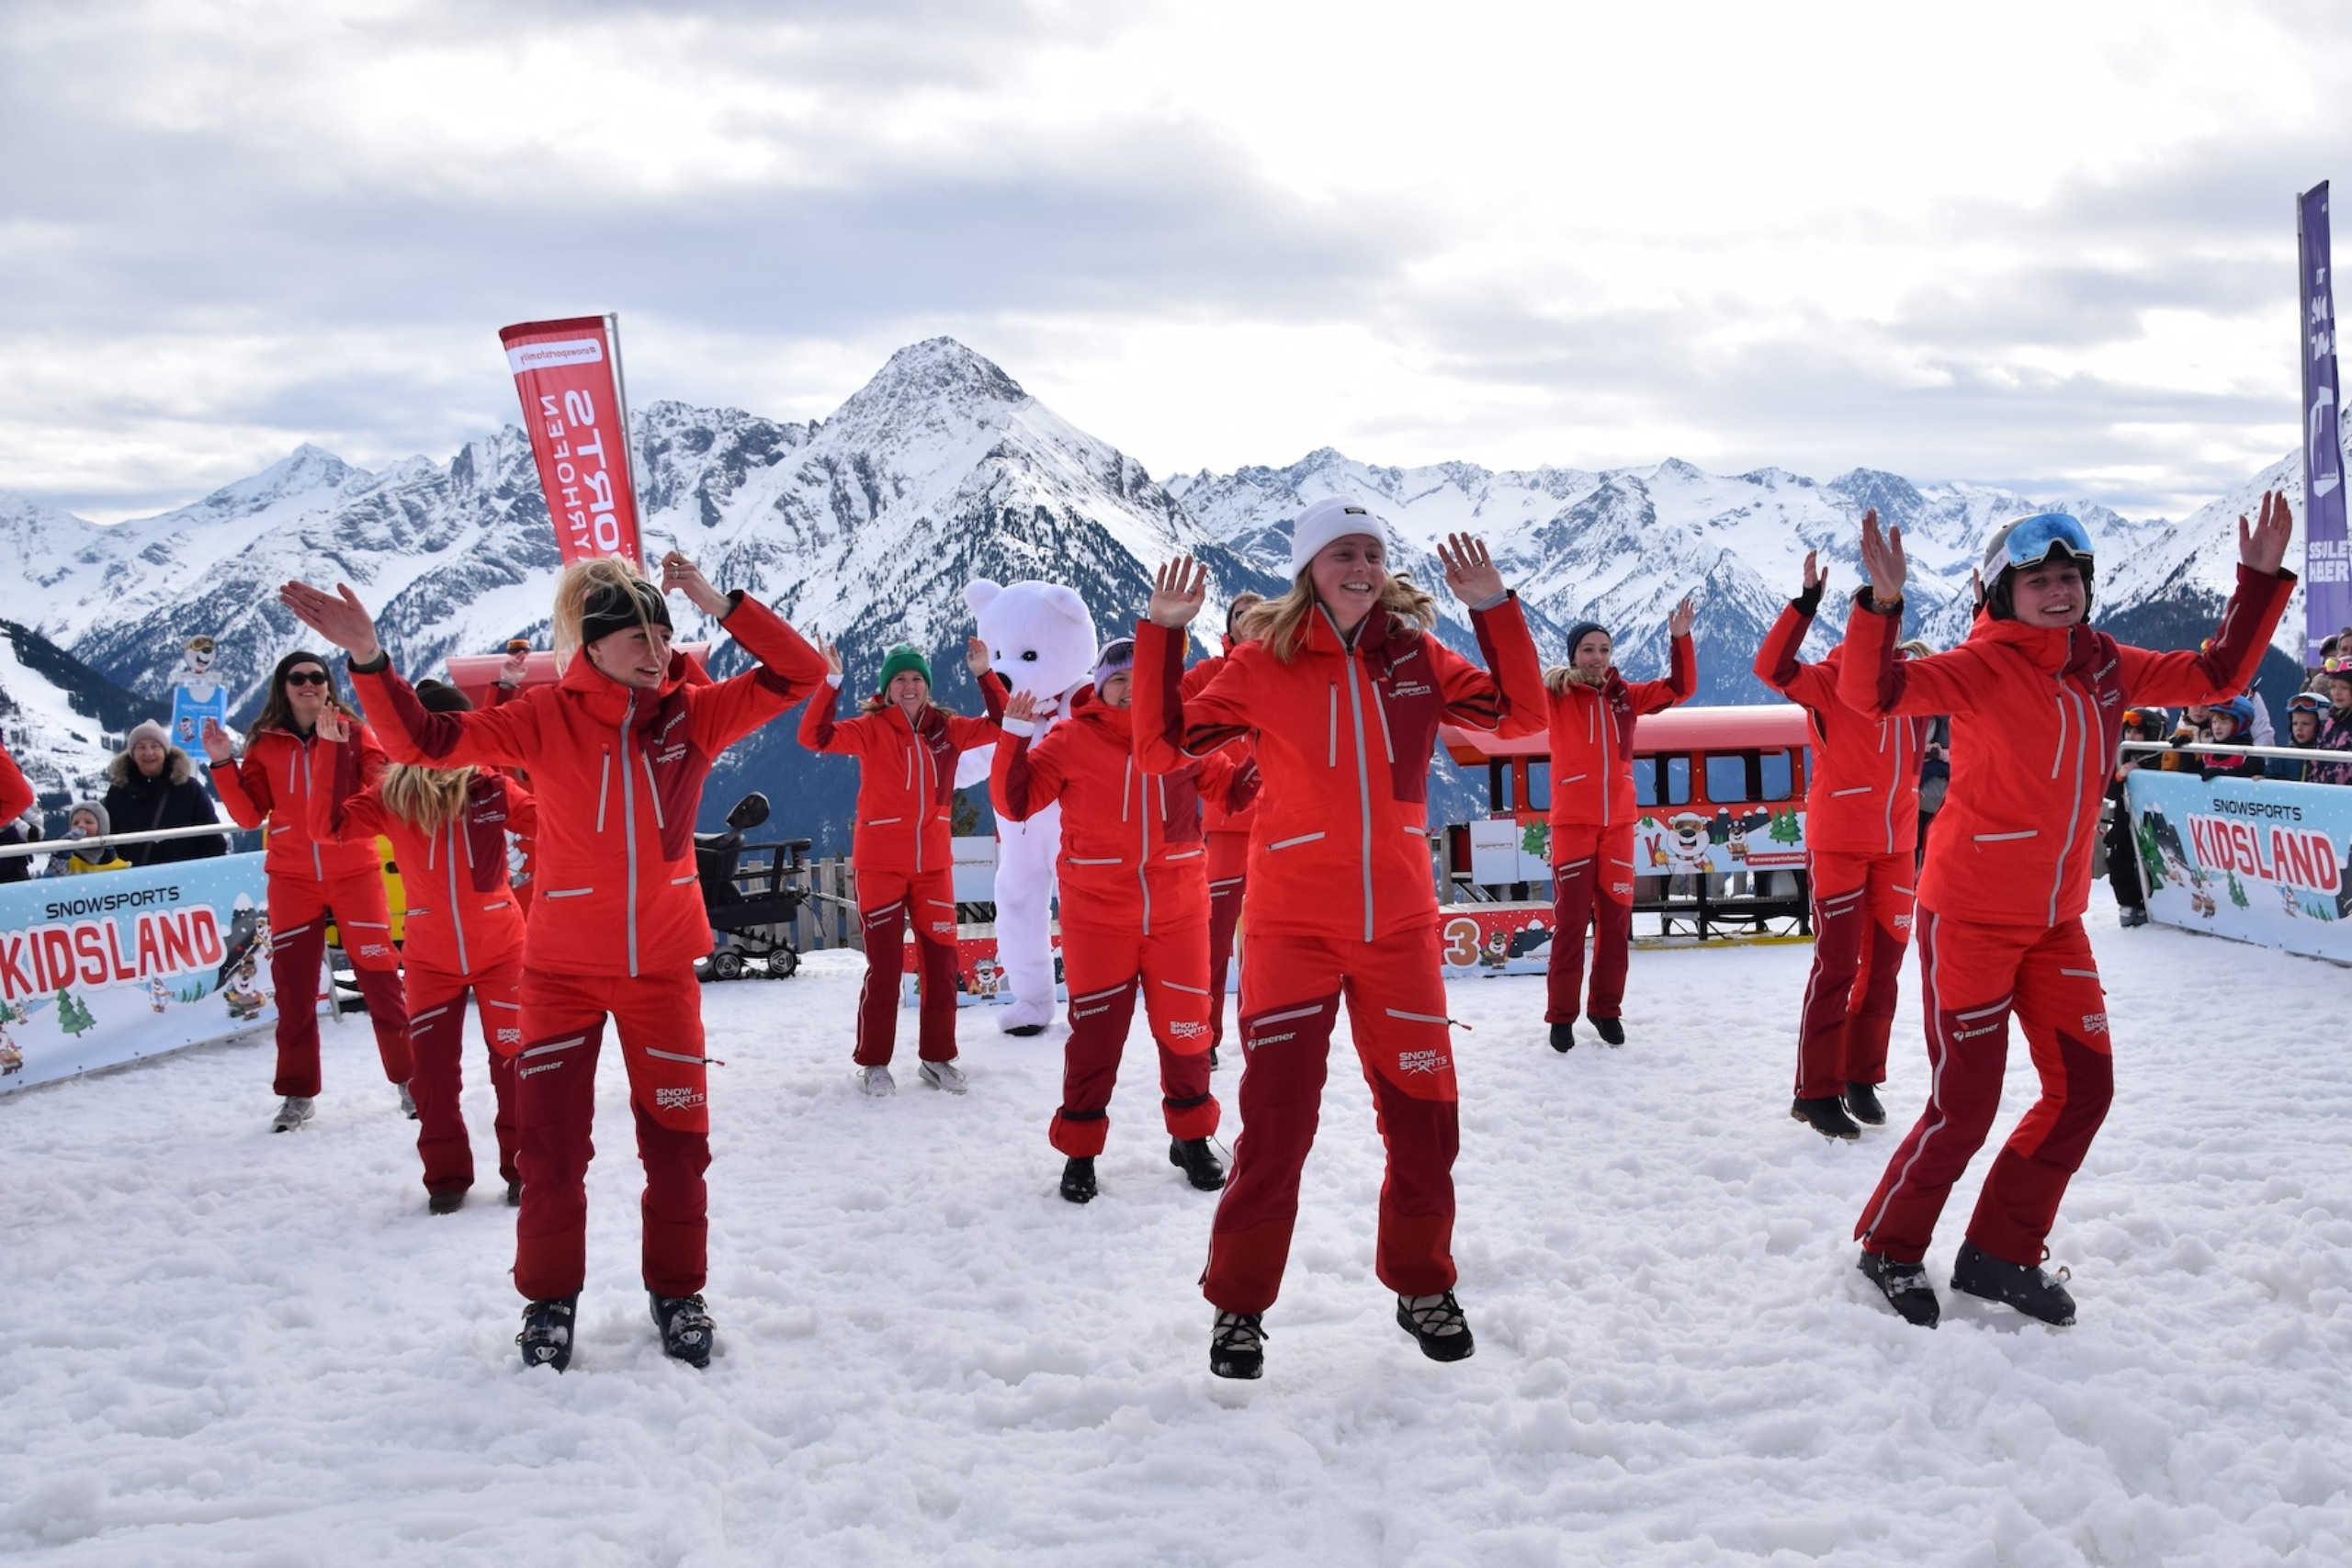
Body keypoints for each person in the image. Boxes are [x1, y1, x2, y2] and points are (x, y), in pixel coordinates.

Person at [284, 552, 828, 1371]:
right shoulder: (544, 717)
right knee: (550, 1148)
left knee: (679, 1142)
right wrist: (369, 659)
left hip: (663, 970)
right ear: (594, 648)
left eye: (663, 631)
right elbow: (424, 741)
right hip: (560, 969)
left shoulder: (696, 715)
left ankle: (677, 1290)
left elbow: (803, 670)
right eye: (634, 634)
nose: (654, 646)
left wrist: (717, 601)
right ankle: (548, 1301)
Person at [1840, 495, 2294, 1329]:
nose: (2057, 591)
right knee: (1964, 1106)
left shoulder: (2106, 663)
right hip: (1970, 918)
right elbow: (1875, 694)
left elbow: (2217, 675)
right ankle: (1889, 1246)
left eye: (2068, 576)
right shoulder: (1979, 666)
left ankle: (2000, 1250)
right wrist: (1879, 606)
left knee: (2084, 1087)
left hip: (2055, 923)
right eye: (2037, 579)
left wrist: (2258, 582)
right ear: (2001, 594)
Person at [1134, 495, 1547, 1379]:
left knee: (1427, 1123)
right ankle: (1238, 1307)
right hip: (1292, 930)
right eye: (1340, 553)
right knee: (1277, 1126)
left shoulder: (1417, 657)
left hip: (1398, 927)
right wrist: (1163, 635)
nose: (1359, 565)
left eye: (1370, 551)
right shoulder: (1264, 659)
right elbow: (1161, 746)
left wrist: (1494, 608)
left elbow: (1520, 718)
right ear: (1309, 569)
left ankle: (1420, 1281)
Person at [992, 637, 1255, 1204]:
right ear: (1100, 684)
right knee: (1096, 1039)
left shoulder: (1183, 737)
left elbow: (1233, 791)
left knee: (1188, 1031)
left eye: (1143, 680)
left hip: (1179, 912)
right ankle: (1080, 1152)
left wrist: (1266, 747)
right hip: (1097, 918)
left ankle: (1191, 1139)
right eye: (1118, 680)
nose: (1131, 690)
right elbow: (1015, 801)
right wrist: (1014, 735)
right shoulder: (1070, 737)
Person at [309, 684, 536, 1215]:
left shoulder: (492, 789)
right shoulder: (394, 796)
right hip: (431, 959)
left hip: (503, 949)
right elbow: (326, 827)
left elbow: (561, 822)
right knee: (431, 1076)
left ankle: (524, 1170)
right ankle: (447, 1178)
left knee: (515, 1065)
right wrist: (330, 753)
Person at [203, 651, 415, 1134]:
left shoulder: (354, 733)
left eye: (317, 677)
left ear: (328, 685)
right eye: (297, 678)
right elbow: (247, 815)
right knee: (295, 992)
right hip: (292, 878)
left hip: (354, 872)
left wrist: (343, 753)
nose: (308, 684)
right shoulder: (266, 744)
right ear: (283, 687)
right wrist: (221, 762)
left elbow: (383, 787)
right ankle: (298, 1094)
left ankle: (410, 1081)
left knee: (381, 980)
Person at [1753, 551, 1925, 1139]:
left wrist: (1986, 610)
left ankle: (1859, 1075)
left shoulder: (1913, 679)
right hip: (1841, 844)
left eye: (1891, 611)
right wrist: (1803, 605)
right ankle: (1815, 1090)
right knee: (1838, 966)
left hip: (1898, 843)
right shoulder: (1828, 680)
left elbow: (1982, 672)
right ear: (1858, 618)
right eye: (1872, 611)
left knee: (1885, 969)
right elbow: (1770, 667)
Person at [798, 637, 1005, 1096]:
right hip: (880, 866)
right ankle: (874, 1062)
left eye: (916, 678)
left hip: (933, 866)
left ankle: (937, 1058)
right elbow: (813, 736)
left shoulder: (947, 729)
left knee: (941, 963)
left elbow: (1004, 722)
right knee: (886, 967)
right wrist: (831, 683)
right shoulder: (871, 729)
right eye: (900, 679)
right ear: (887, 689)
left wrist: (984, 674)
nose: (909, 686)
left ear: (927, 686)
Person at [1541, 599, 1695, 1050]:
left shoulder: (1625, 696)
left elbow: (1680, 688)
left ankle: (1606, 1008)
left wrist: (1680, 638)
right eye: (1588, 649)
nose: (1597, 656)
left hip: (1619, 825)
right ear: (1573, 655)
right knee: (1570, 923)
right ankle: (1561, 1017)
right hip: (1572, 823)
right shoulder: (1556, 695)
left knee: (1615, 922)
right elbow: (1515, 702)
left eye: (1604, 649)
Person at [1191, 592, 1265, 1067]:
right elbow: (1163, 711)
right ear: (1230, 628)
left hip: (1279, 826)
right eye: (1242, 616)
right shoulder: (1204, 675)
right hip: (1222, 828)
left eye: (1261, 616)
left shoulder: (1285, 669)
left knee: (1265, 944)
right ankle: (1206, 1036)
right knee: (1214, 944)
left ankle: (1264, 1033)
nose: (1251, 622)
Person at [104, 719, 228, 866]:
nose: (148, 753)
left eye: (155, 746)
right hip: (134, 883)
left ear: (165, 751)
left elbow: (212, 840)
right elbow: (109, 842)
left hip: (183, 879)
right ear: (132, 753)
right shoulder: (118, 792)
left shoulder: (189, 789)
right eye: (141, 747)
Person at [2106, 706, 2168, 925]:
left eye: (2138, 732)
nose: (2132, 736)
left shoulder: (2164, 756)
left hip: (2153, 822)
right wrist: (2120, 776)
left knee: (2154, 863)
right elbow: (2108, 791)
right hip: (2125, 821)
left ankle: (2152, 903)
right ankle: (2128, 903)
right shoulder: (2121, 755)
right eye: (2129, 731)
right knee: (2118, 861)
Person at [2188, 696, 2263, 783]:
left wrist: (2222, 773)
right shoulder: (2209, 754)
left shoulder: (2250, 755)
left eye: (2224, 722)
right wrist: (2184, 750)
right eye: (2214, 722)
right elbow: (2190, 774)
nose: (2217, 727)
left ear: (2241, 725)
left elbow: (2247, 773)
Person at [53, 802, 131, 874]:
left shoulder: (117, 866)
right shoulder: (68, 860)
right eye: (75, 823)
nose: (81, 826)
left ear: (102, 828)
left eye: (88, 822)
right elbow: (51, 881)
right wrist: (60, 856)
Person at [2269, 693, 2331, 783]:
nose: (2299, 728)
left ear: (2321, 727)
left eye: (2306, 724)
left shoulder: (2329, 759)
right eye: (2295, 723)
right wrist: (2262, 780)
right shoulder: (2281, 759)